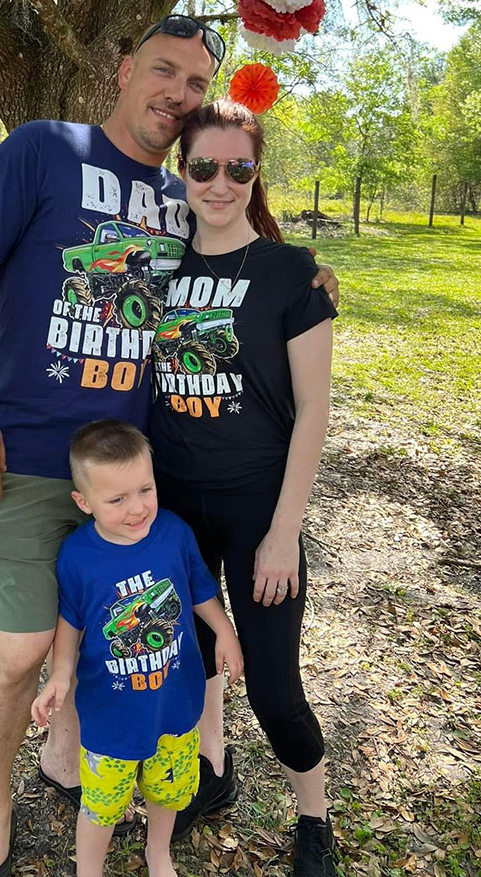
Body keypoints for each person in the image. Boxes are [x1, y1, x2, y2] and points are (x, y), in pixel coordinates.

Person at [0, 14, 339, 876]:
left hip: (138, 470)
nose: (178, 94)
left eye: (195, 84)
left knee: (130, 623)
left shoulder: (179, 194)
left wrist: (307, 274)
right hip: (29, 457)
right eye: (165, 71)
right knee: (19, 647)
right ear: (121, 70)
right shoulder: (45, 149)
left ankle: (113, 755)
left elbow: (235, 261)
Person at [148, 98, 338, 876]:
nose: (219, 183)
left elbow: (315, 410)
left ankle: (314, 818)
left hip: (261, 509)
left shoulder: (293, 274)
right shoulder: (154, 266)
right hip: (174, 508)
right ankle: (212, 772)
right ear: (181, 169)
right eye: (202, 167)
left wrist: (284, 530)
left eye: (239, 168)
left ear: (255, 174)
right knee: (190, 664)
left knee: (274, 689)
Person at [30, 419, 243, 877]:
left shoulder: (174, 533)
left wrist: (224, 631)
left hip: (175, 707)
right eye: (117, 499)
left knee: (168, 793)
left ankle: (157, 853)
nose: (137, 509)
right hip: (110, 718)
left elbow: (201, 588)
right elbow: (69, 623)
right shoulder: (78, 555)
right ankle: (89, 868)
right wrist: (60, 676)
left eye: (145, 490)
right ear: (84, 503)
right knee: (102, 806)